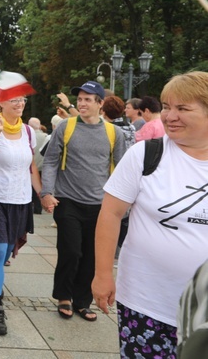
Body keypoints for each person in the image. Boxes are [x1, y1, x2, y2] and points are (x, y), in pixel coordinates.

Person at [93, 72, 208, 358]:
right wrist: (103, 274)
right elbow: (110, 213)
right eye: (167, 106)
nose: (170, 116)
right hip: (147, 303)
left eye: (183, 108)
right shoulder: (146, 155)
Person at [41, 81, 126, 322]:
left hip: (100, 205)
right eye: (79, 99)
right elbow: (49, 161)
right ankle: (64, 296)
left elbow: (121, 169)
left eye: (88, 99)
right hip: (67, 200)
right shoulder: (66, 127)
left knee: (91, 255)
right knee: (71, 250)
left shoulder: (114, 133)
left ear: (100, 104)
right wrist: (47, 191)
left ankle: (82, 301)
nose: (81, 103)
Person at [0, 96, 41, 335]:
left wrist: (42, 194)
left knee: (3, 254)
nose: (19, 103)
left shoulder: (28, 132)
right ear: (1, 103)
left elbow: (31, 167)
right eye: (13, 100)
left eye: (22, 100)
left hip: (20, 199)